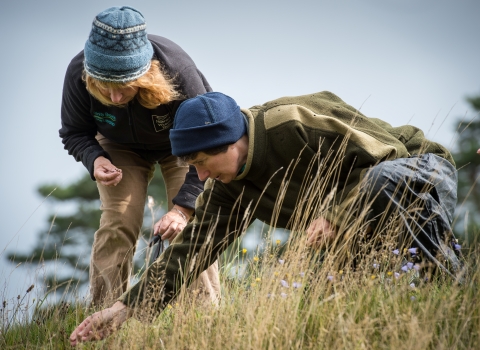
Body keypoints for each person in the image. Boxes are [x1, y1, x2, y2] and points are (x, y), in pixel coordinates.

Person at [70, 91, 462, 345]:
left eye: (204, 163)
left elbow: (389, 156)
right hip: (361, 215)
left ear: (230, 141)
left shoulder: (294, 123)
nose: (201, 177)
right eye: (195, 169)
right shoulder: (229, 187)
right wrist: (125, 307)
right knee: (335, 316)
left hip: (420, 173)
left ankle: (458, 296)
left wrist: (333, 215)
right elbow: (189, 252)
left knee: (389, 197)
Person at [60, 6, 220, 306]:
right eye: (104, 89)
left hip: (184, 143)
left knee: (188, 226)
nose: (116, 98)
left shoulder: (177, 70)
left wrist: (182, 209)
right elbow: (74, 132)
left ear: (146, 74)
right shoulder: (77, 72)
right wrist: (95, 159)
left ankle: (204, 318)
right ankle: (104, 319)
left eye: (124, 87)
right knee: (118, 224)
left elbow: (210, 142)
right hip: (118, 146)